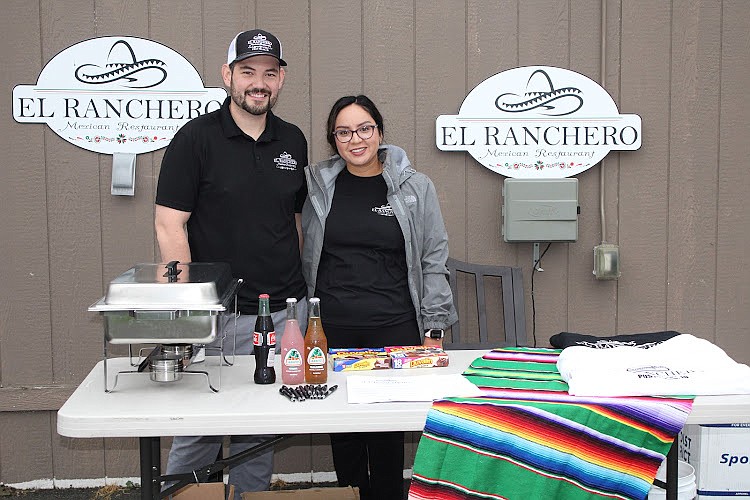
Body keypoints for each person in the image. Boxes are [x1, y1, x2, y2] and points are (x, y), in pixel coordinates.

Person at [154, 29, 308, 497]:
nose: (258, 83)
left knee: (259, 428)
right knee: (199, 429)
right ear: (227, 76)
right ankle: (180, 494)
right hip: (221, 316)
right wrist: (188, 308)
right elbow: (169, 225)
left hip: (284, 311)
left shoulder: (293, 141)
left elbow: (295, 223)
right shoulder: (195, 139)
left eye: (268, 73)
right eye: (247, 72)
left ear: (280, 79)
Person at [301, 95, 458, 500]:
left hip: (395, 327)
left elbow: (433, 259)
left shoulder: (414, 188)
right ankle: (349, 494)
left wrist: (434, 327)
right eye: (344, 132)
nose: (356, 139)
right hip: (332, 329)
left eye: (364, 128)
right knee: (343, 432)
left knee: (387, 436)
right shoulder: (320, 187)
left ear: (380, 132)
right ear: (333, 139)